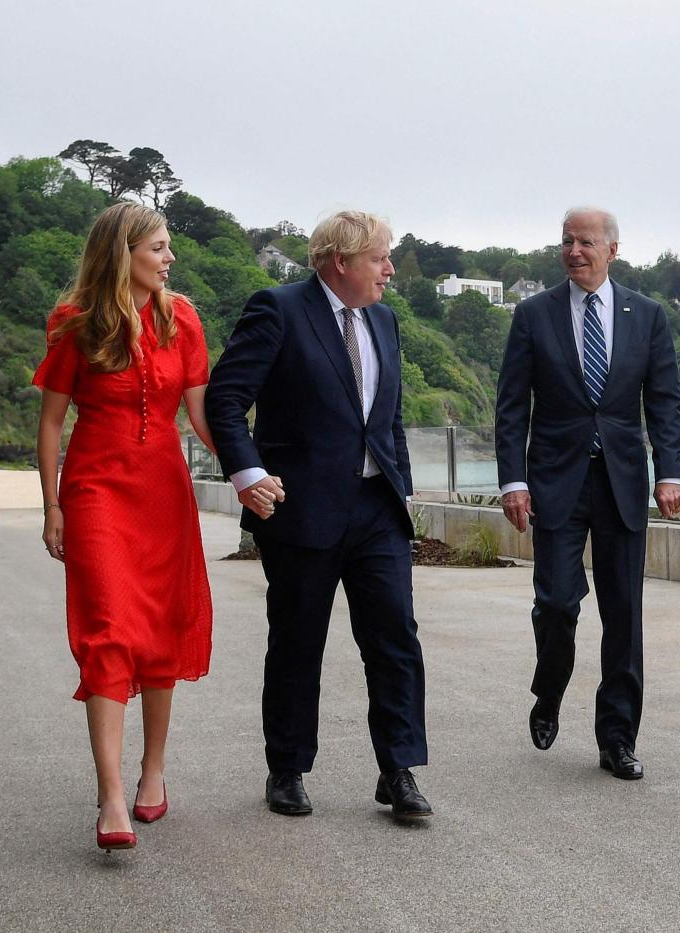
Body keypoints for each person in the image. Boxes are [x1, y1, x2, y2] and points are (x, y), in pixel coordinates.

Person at [204, 210, 431, 820]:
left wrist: (401, 486)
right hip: (300, 508)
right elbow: (226, 398)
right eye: (380, 258)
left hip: (377, 508)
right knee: (298, 643)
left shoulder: (384, 319)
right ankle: (288, 769)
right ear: (342, 261)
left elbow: (389, 419)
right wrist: (248, 474)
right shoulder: (277, 308)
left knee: (395, 641)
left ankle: (399, 770)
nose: (390, 270)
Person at [34, 202, 215, 851]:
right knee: (109, 630)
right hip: (95, 491)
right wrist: (51, 504)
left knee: (161, 631)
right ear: (125, 252)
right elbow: (52, 421)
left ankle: (153, 768)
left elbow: (201, 416)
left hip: (163, 492)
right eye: (160, 247)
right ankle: (110, 794)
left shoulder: (183, 317)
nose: (170, 259)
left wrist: (253, 466)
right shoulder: (74, 322)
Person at [494, 207, 680, 780]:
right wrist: (513, 480)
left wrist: (670, 472)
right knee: (556, 602)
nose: (574, 251)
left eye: (585, 242)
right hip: (554, 480)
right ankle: (549, 688)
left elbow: (666, 403)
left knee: (624, 615)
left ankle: (617, 738)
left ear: (612, 249)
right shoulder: (533, 315)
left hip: (623, 483)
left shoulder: (648, 316)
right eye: (566, 242)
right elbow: (511, 406)